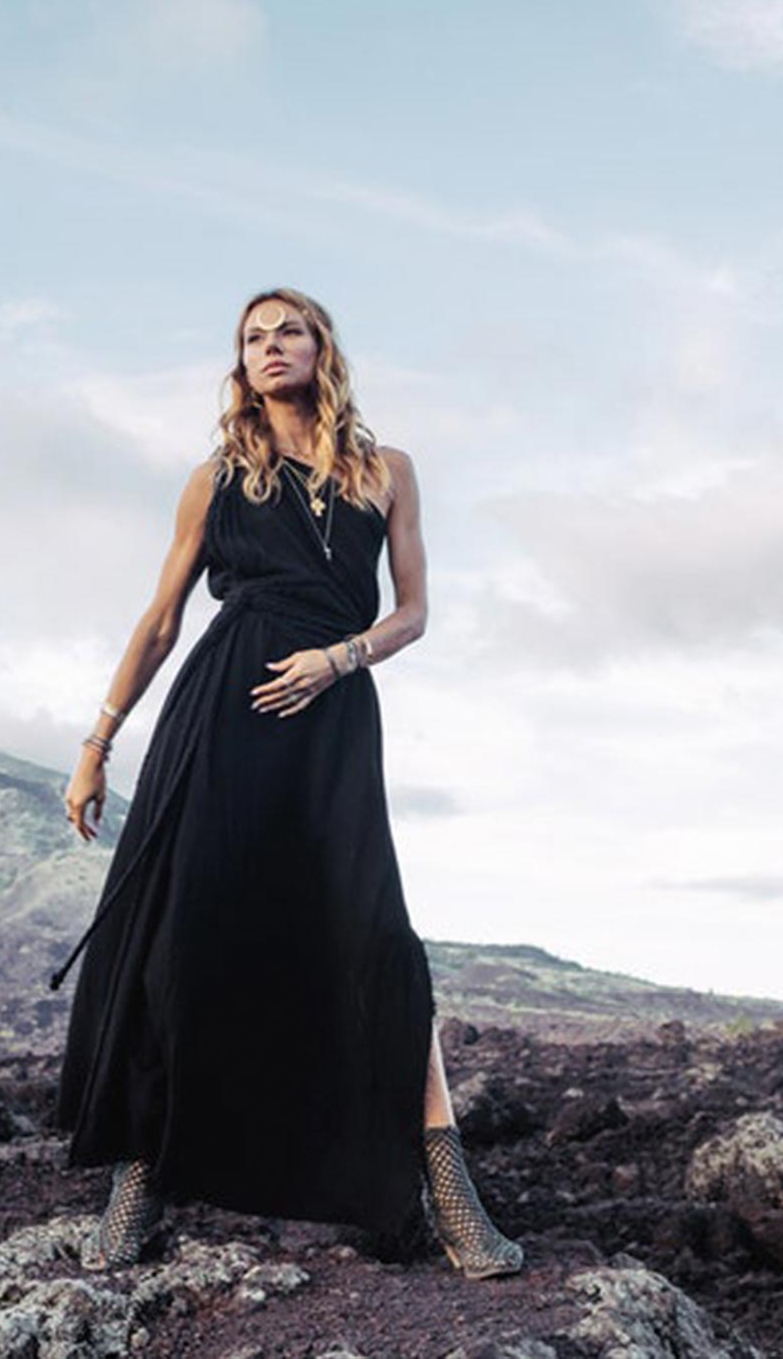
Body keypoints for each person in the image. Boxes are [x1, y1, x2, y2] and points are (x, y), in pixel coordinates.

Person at [49, 288, 524, 1280]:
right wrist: (97, 742)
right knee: (176, 940)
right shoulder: (213, 479)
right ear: (240, 364)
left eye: (288, 332)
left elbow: (414, 614)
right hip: (220, 714)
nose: (271, 348)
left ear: (321, 349)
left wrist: (337, 660)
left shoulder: (385, 472)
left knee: (371, 939)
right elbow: (159, 622)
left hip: (332, 721)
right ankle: (138, 1189)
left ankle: (449, 1199)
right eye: (252, 338)